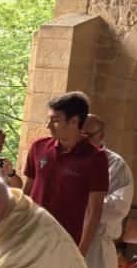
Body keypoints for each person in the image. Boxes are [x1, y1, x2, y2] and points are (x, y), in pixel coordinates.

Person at [23, 91, 108, 257]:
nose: (48, 125)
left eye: (55, 120)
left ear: (74, 121)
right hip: (31, 237)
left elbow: (94, 210)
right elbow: (26, 194)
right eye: (48, 119)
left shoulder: (95, 157)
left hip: (66, 244)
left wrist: (81, 252)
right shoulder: (38, 148)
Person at [81, 113, 134, 268]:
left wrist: (78, 202)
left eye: (87, 136)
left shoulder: (115, 164)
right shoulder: (70, 160)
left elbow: (117, 206)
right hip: (67, 241)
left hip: (97, 246)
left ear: (101, 136)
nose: (82, 140)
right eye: (79, 134)